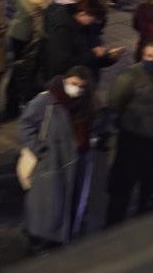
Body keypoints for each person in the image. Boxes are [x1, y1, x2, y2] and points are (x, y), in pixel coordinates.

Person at [21, 66, 98, 249]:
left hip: (76, 163)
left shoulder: (87, 103)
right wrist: (39, 149)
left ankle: (59, 239)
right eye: (73, 84)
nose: (77, 89)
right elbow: (26, 124)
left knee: (67, 204)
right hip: (51, 162)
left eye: (82, 86)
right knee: (46, 206)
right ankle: (38, 240)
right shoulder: (46, 101)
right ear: (65, 80)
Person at [107, 39, 153, 226]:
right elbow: (115, 105)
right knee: (122, 189)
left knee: (149, 186)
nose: (151, 60)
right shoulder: (129, 77)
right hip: (132, 141)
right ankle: (114, 226)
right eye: (148, 56)